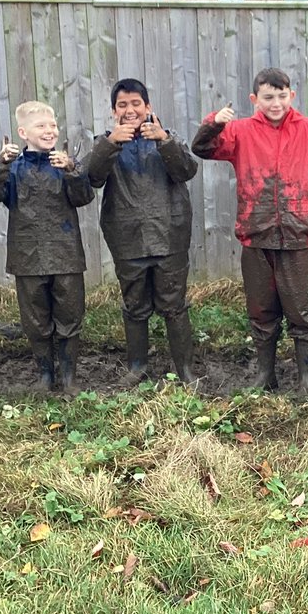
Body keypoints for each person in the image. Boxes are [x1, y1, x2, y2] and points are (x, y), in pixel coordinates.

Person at [193, 68, 308, 392]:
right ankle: (264, 376)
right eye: (268, 97)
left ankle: (307, 378)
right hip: (256, 234)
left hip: (298, 236)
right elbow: (202, 148)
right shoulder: (239, 132)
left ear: (291, 96)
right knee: (261, 310)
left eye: (282, 96)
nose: (276, 103)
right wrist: (215, 122)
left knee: (302, 311)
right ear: (255, 99)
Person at [86, 79, 199, 385]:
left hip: (169, 237)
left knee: (174, 305)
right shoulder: (105, 142)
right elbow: (90, 179)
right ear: (113, 112)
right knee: (135, 305)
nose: (130, 110)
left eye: (136, 103)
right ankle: (138, 367)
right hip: (127, 239)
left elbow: (187, 170)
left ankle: (185, 370)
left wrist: (164, 141)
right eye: (122, 105)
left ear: (148, 107)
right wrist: (111, 144)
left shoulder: (167, 137)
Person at [0, 101, 94, 391]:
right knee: (35, 319)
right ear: (23, 132)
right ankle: (45, 375)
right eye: (41, 126)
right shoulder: (12, 167)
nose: (49, 130)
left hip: (66, 254)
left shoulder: (65, 164)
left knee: (70, 316)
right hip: (27, 255)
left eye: (53, 125)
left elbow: (84, 197)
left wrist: (72, 170)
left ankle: (69, 377)